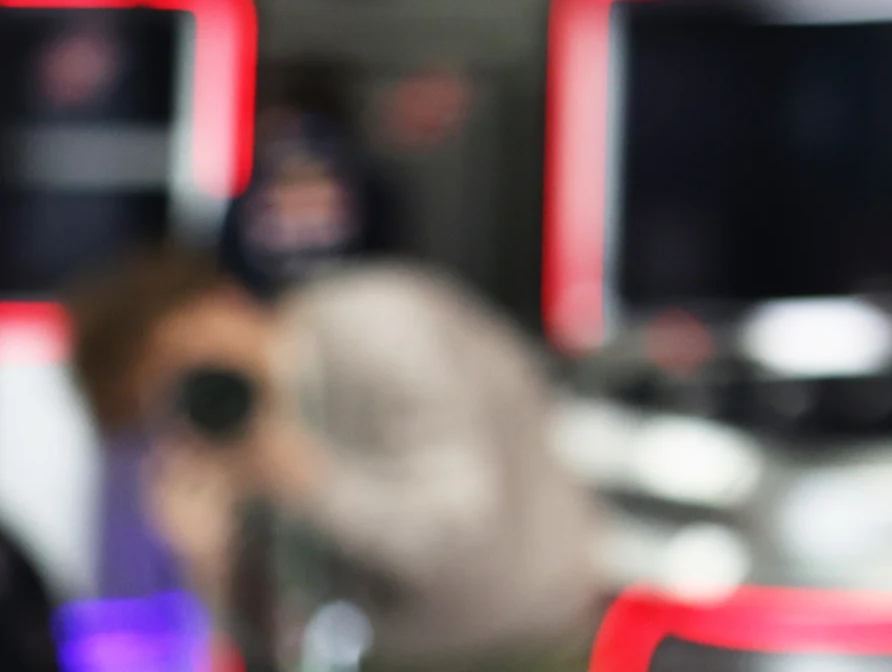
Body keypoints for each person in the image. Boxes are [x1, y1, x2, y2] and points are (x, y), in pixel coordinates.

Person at [62, 246, 598, 670]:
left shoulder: (377, 326)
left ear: (217, 306)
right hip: (403, 658)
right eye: (156, 413)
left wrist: (300, 474)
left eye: (174, 376)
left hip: (528, 648)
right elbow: (281, 651)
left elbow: (454, 544)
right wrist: (210, 562)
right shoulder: (245, 434)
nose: (181, 413)